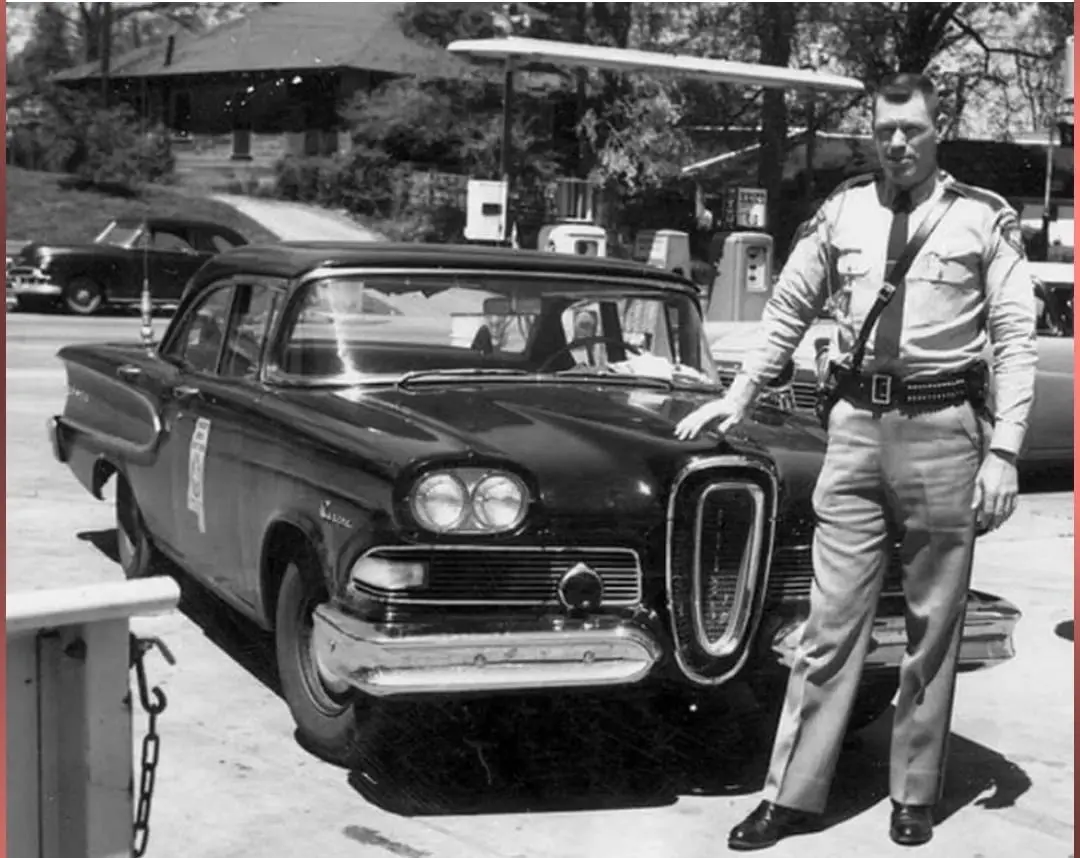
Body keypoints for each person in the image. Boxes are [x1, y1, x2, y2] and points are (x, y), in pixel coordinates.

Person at [675, 72, 1037, 850]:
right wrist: (737, 397)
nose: (897, 142)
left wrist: (1004, 450)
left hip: (944, 431)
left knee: (932, 625)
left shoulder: (981, 219)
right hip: (854, 433)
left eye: (911, 129)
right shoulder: (841, 212)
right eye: (884, 129)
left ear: (939, 129)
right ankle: (792, 794)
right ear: (870, 132)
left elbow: (1013, 339)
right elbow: (787, 309)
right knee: (827, 625)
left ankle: (914, 790)